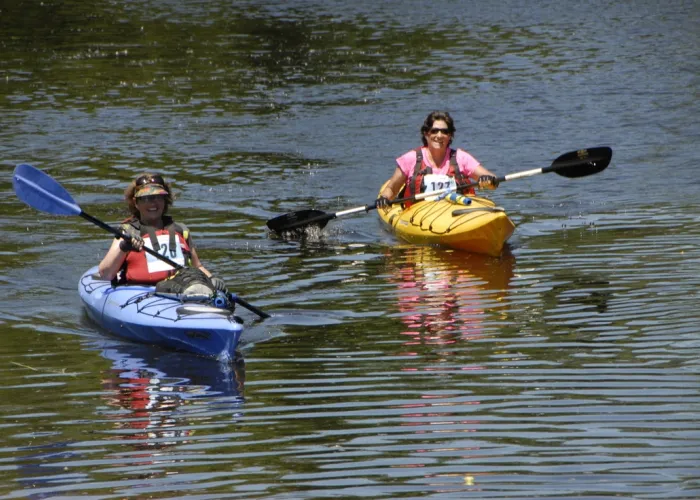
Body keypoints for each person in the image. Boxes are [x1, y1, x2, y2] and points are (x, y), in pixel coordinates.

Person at [98, 172, 227, 292]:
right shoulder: (128, 232)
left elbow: (197, 266)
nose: (153, 203)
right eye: (146, 198)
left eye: (158, 197)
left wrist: (212, 279)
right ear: (136, 203)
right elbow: (105, 274)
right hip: (139, 292)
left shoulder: (181, 230)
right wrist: (124, 247)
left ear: (165, 201)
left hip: (181, 288)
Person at [377, 111, 499, 209]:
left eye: (444, 132)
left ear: (450, 136)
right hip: (419, 215)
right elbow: (391, 189)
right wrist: (384, 199)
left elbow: (492, 181)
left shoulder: (460, 157)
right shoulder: (411, 159)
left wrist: (488, 179)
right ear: (426, 134)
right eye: (434, 131)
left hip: (456, 212)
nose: (439, 135)